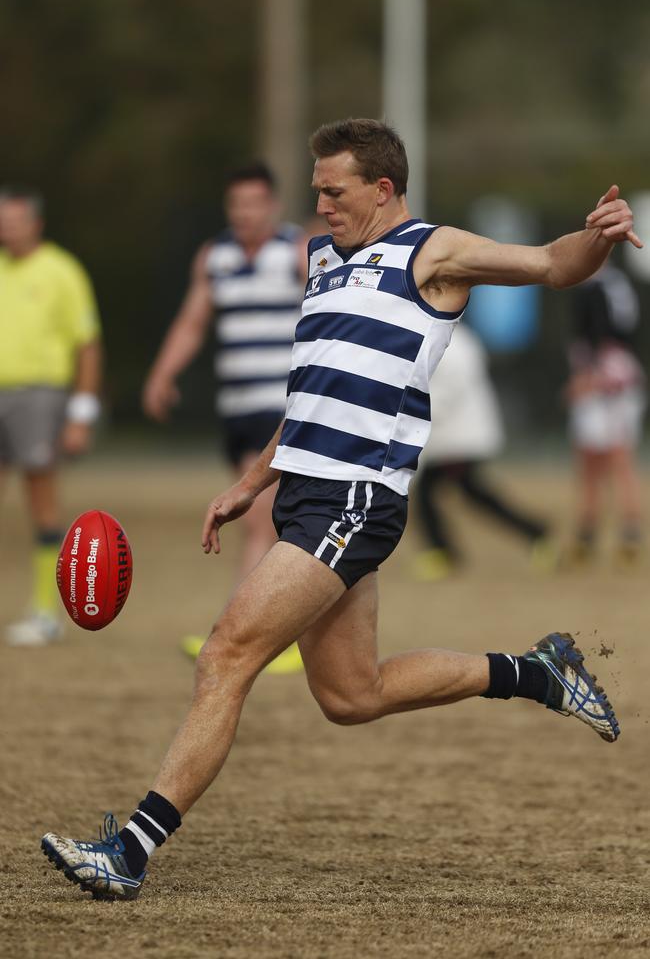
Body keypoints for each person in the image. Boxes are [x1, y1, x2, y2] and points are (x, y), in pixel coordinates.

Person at [41, 119, 641, 900]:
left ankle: (129, 853)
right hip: (303, 494)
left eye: (334, 190)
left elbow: (554, 265)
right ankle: (535, 673)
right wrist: (253, 483)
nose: (319, 203)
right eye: (317, 188)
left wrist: (596, 235)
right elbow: (311, 395)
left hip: (358, 495)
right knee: (350, 696)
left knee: (226, 654)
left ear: (383, 189)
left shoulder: (434, 251)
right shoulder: (322, 263)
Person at [142, 163, 306, 668]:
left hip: (281, 409)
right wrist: (162, 374)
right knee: (269, 524)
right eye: (236, 204)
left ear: (272, 205)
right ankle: (269, 636)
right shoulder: (215, 257)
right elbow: (194, 321)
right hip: (236, 410)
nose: (245, 213)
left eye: (254, 203)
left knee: (262, 523)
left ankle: (240, 635)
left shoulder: (297, 252)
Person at [0, 187, 102, 647]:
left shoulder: (61, 270)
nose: (7, 227)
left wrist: (81, 412)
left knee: (41, 501)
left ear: (35, 223)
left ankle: (46, 610)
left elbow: (87, 343)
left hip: (39, 396)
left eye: (15, 219)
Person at [413, 322, 552, 581]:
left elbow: (449, 387)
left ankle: (442, 552)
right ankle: (535, 532)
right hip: (454, 437)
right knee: (470, 493)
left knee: (435, 494)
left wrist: (416, 413)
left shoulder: (450, 338)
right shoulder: (449, 334)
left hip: (459, 438)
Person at [564, 260, 645, 566]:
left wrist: (587, 376)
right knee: (612, 462)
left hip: (604, 381)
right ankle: (613, 533)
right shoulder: (620, 284)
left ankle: (608, 533)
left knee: (603, 463)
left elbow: (597, 334)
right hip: (618, 378)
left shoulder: (596, 286)